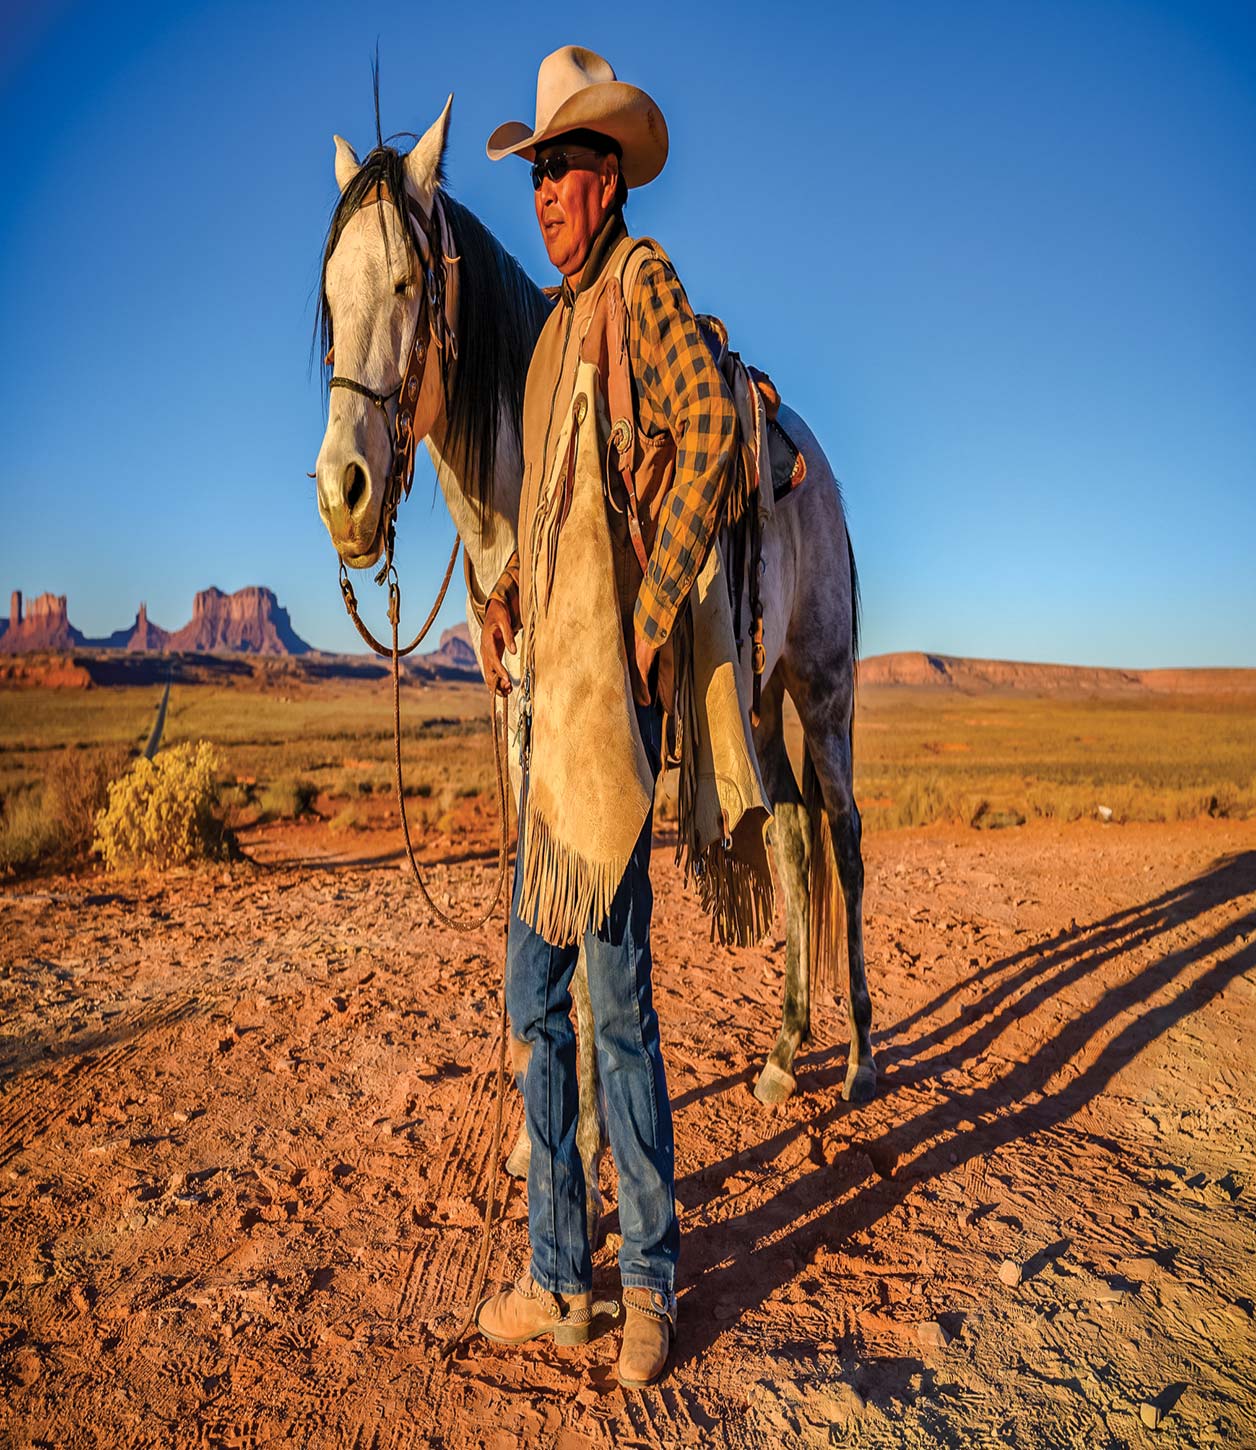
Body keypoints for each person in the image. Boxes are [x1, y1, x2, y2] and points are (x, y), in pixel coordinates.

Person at [472, 46, 739, 1387]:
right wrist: (511, 590)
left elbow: (712, 442)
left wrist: (645, 625)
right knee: (537, 1002)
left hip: (612, 732)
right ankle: (553, 1275)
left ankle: (648, 1287)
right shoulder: (547, 340)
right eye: (535, 174)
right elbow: (549, 511)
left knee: (618, 1007)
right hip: (545, 734)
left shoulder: (643, 287)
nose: (546, 193)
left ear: (611, 173)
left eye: (565, 168)